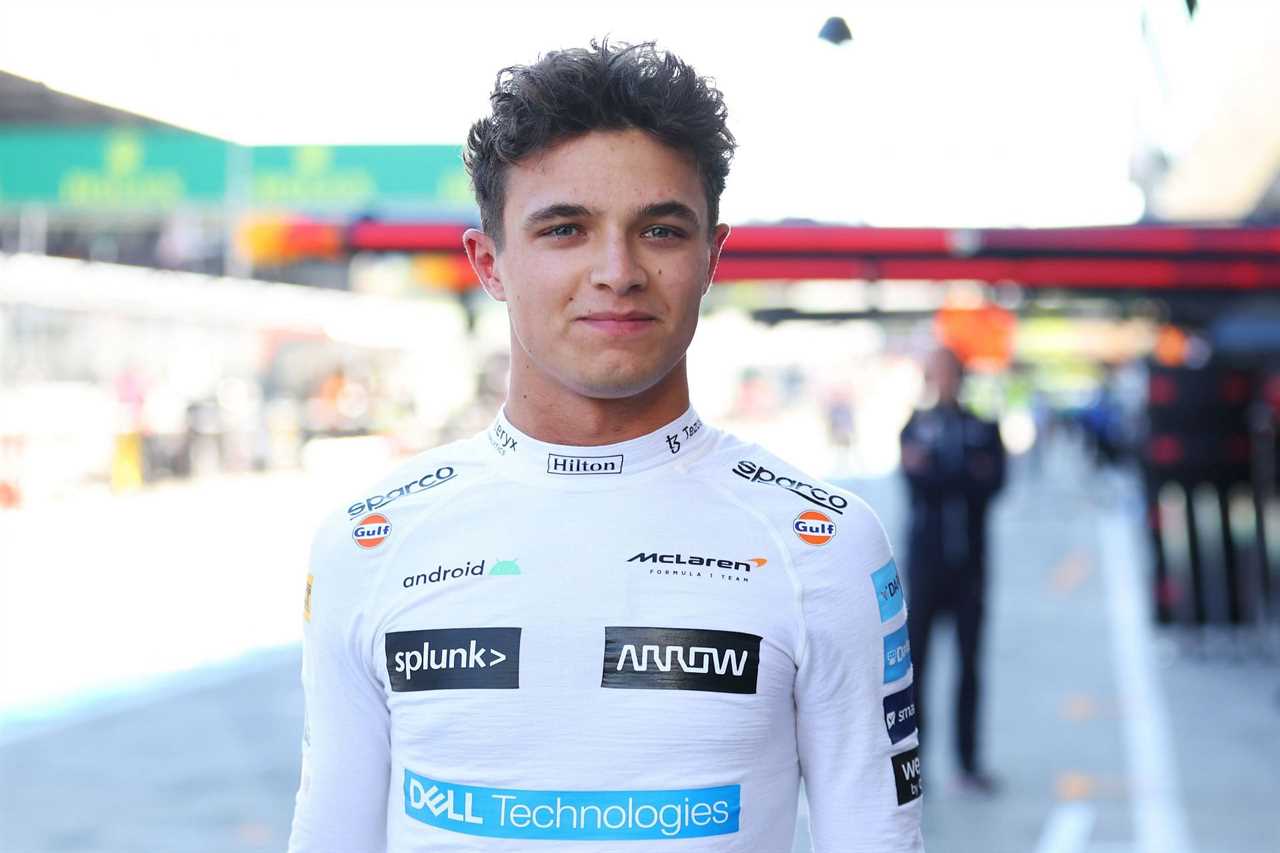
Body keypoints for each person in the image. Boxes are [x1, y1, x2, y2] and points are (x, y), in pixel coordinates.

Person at [288, 40, 924, 852]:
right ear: (489, 262)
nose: (617, 270)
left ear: (711, 258)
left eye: (660, 229)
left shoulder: (826, 546)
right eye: (565, 229)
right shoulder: (366, 541)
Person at [899, 347, 1006, 793]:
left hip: (970, 567)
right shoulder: (915, 426)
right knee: (915, 668)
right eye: (938, 372)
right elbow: (916, 481)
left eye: (951, 372)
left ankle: (968, 763)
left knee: (969, 665)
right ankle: (913, 766)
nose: (945, 380)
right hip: (925, 567)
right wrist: (961, 473)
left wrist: (944, 472)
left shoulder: (983, 427)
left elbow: (994, 483)